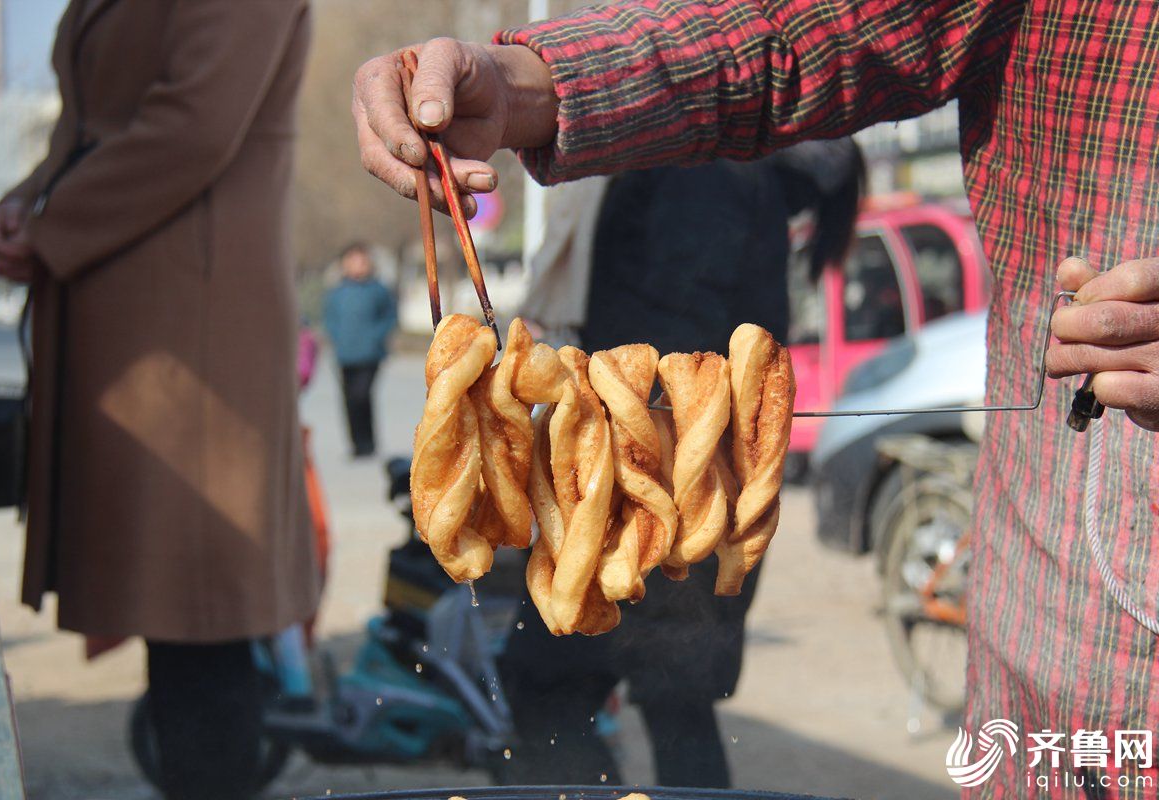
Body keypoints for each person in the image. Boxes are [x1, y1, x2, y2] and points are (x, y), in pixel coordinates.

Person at [353, 5, 1159, 796]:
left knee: (605, 691)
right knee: (674, 700)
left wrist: (630, 429)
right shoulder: (762, 176)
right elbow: (781, 41)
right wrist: (525, 85)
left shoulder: (703, 188)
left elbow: (682, 331)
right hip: (1020, 621)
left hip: (667, 485)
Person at [0, 3, 319, 799]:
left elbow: (195, 124)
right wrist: (29, 198)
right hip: (142, 309)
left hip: (192, 326)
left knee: (204, 614)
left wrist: (53, 218)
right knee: (179, 620)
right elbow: (95, 122)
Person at [502, 145, 865, 788]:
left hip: (663, 491)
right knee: (672, 702)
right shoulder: (720, 170)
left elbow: (668, 344)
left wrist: (617, 474)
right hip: (677, 484)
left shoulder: (704, 170)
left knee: (563, 686)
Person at [323, 241, 398, 457]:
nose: (358, 265)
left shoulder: (378, 290)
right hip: (345, 354)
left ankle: (368, 442)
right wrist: (336, 337)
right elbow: (330, 318)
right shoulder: (337, 292)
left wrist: (377, 336)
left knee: (363, 395)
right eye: (352, 260)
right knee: (349, 399)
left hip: (370, 354)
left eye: (362, 260)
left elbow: (390, 316)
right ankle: (356, 443)